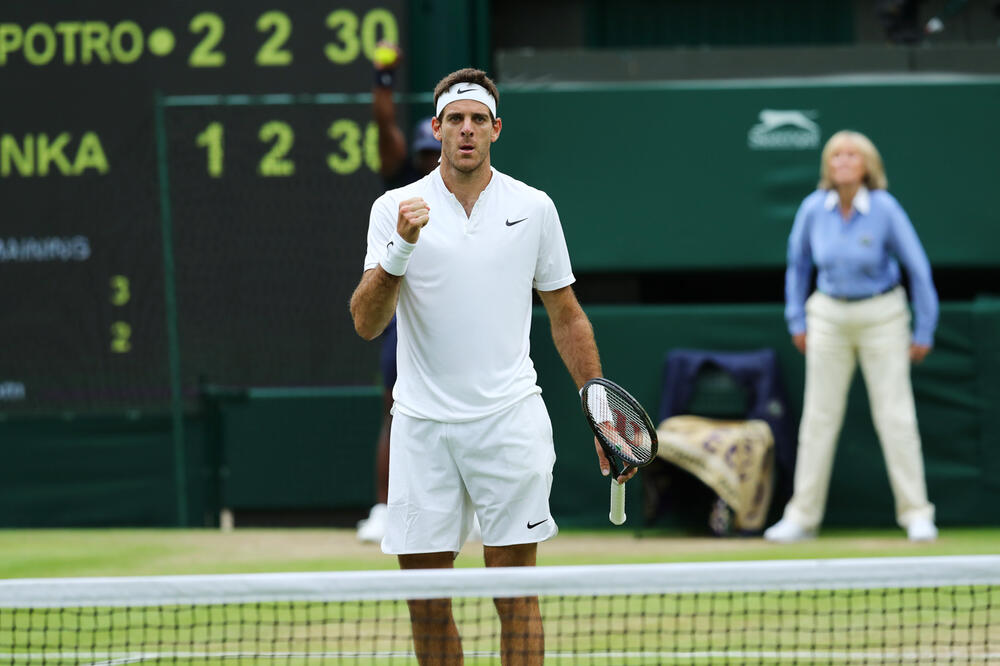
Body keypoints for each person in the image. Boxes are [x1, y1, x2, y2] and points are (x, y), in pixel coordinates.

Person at [349, 67, 630, 665]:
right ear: (437, 129)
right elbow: (367, 322)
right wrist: (400, 245)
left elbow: (567, 315)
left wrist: (600, 407)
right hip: (422, 428)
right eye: (456, 119)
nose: (467, 130)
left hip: (508, 423)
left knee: (514, 595)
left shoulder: (534, 208)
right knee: (426, 602)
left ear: (496, 129)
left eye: (479, 119)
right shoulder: (393, 208)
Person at [764, 130, 939, 544]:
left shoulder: (885, 209)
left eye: (851, 154)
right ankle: (803, 517)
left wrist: (924, 327)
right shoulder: (811, 209)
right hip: (827, 316)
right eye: (835, 154)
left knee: (895, 416)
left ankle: (917, 514)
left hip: (883, 315)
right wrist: (797, 320)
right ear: (827, 164)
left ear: (866, 165)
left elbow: (918, 268)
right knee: (819, 418)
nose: (842, 161)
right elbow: (797, 266)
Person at [356, 43, 442, 544]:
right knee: (397, 408)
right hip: (402, 322)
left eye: (436, 152)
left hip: (455, 321)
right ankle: (385, 509)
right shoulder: (401, 186)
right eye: (425, 154)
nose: (432, 160)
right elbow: (383, 123)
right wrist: (383, 77)